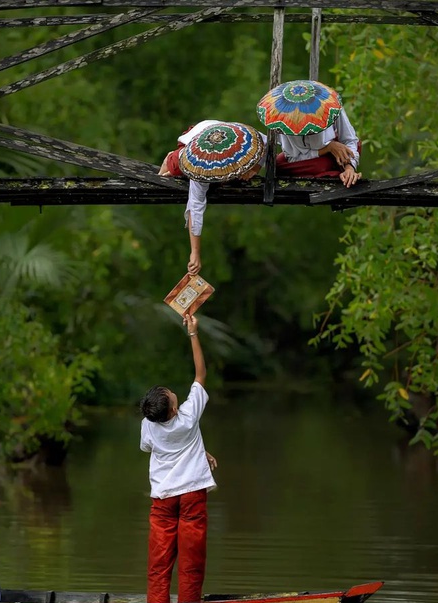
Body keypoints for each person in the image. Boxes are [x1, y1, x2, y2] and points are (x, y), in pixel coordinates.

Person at [139, 313, 218, 603]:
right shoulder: (188, 415)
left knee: (159, 565)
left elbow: (151, 448)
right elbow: (200, 375)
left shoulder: (149, 423)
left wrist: (199, 451)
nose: (174, 393)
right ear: (173, 409)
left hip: (163, 499)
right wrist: (193, 334)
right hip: (192, 495)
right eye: (173, 395)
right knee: (191, 563)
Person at [159, 120, 264, 276]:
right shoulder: (199, 167)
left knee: (240, 177)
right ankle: (169, 161)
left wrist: (256, 167)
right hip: (194, 139)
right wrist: (194, 253)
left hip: (225, 131)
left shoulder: (247, 142)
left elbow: (267, 142)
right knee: (172, 169)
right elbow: (195, 208)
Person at [276, 106, 362, 188]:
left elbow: (350, 140)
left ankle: (339, 169)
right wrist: (328, 148)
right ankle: (332, 171)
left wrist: (349, 168)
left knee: (355, 146)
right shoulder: (284, 118)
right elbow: (293, 158)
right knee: (279, 163)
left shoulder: (331, 104)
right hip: (307, 162)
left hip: (336, 153)